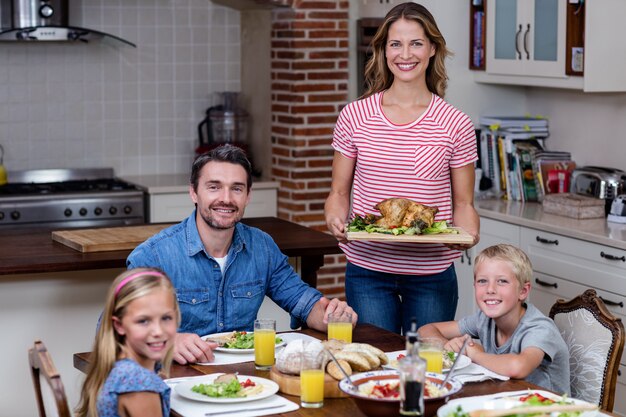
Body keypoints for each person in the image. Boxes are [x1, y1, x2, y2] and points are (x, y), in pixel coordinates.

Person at [324, 2, 479, 334]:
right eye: (395, 44)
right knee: (376, 366)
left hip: (431, 274)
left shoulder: (455, 123)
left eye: (416, 43)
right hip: (367, 270)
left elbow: (464, 204)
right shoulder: (355, 116)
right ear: (383, 50)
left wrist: (468, 235)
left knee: (425, 370)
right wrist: (335, 217)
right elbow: (338, 192)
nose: (405, 54)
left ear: (432, 48)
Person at [128, 144, 357, 365]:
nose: (226, 198)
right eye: (214, 187)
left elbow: (303, 303)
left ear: (247, 196)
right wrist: (169, 342)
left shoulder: (262, 247)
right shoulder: (154, 256)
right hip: (177, 381)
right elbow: (117, 331)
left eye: (236, 188)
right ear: (193, 192)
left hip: (247, 380)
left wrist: (334, 316)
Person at [419, 244, 570, 394]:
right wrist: (451, 348)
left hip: (548, 409)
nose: (490, 289)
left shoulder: (539, 328)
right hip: (506, 400)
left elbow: (518, 367)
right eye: (482, 281)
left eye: (502, 281)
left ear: (523, 291)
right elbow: (426, 330)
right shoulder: (483, 319)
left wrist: (473, 353)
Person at [76, 268, 180, 417]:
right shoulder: (139, 385)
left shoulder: (119, 365)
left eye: (166, 318)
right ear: (119, 325)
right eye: (143, 321)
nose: (158, 331)